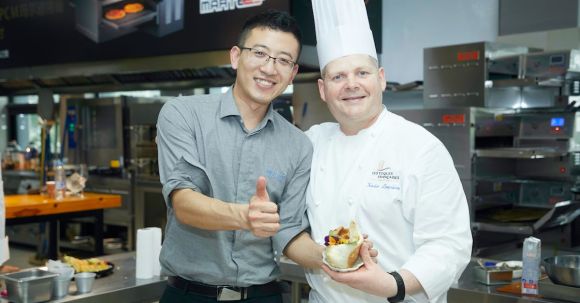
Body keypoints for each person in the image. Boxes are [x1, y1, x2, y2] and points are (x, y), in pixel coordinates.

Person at [304, 1, 473, 302]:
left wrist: (393, 284)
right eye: (338, 76)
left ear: (380, 78)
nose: (351, 85)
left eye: (362, 73)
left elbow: (449, 245)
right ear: (322, 88)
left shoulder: (421, 148)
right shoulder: (311, 144)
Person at [156, 10, 323, 303]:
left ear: (293, 73)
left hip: (263, 294)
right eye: (260, 53)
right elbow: (183, 202)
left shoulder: (298, 145)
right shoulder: (183, 114)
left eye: (283, 60)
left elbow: (288, 230)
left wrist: (333, 259)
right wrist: (245, 217)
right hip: (190, 294)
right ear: (236, 57)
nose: (270, 69)